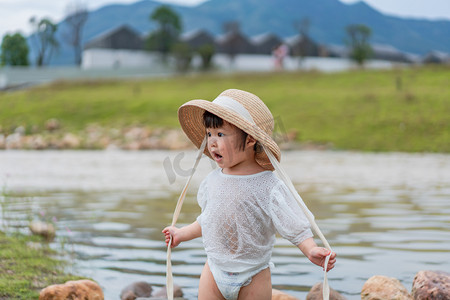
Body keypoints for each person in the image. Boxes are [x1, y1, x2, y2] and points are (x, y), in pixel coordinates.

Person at [163, 89, 336, 300]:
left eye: (220, 134)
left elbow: (293, 224)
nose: (212, 142)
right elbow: (209, 219)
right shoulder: (213, 181)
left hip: (254, 274)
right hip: (214, 270)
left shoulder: (268, 185)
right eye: (209, 134)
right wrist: (182, 234)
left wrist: (310, 249)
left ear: (251, 139)